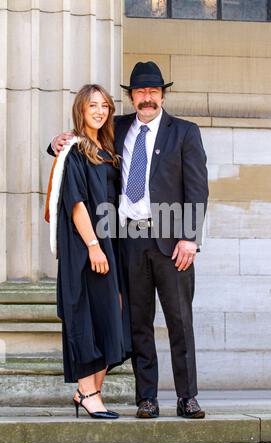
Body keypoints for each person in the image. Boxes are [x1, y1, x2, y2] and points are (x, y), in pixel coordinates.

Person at [49, 62, 209, 420]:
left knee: (179, 320)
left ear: (163, 95)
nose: (147, 98)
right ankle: (147, 399)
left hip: (171, 239)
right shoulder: (117, 126)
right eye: (140, 92)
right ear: (132, 96)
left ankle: (187, 397)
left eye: (153, 92)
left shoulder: (184, 132)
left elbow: (198, 188)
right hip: (129, 239)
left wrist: (190, 238)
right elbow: (81, 141)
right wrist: (55, 142)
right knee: (138, 322)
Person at [47, 84, 131, 420]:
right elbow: (76, 204)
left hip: (110, 243)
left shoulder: (107, 148)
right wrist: (94, 247)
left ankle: (88, 392)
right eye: (92, 105)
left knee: (112, 316)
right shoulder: (75, 150)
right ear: (80, 109)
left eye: (105, 106)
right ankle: (90, 393)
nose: (99, 111)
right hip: (85, 248)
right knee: (85, 316)